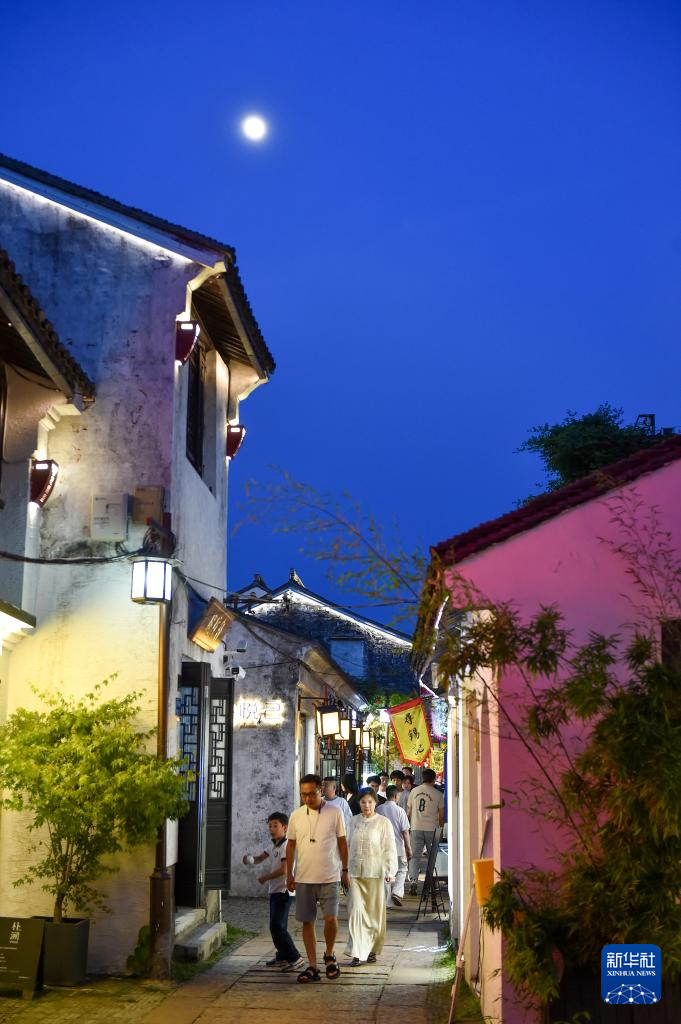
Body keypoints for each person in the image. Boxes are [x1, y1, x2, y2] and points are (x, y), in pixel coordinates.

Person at [286, 774, 349, 983]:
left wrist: (345, 870)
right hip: (304, 876)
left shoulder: (335, 811)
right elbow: (291, 845)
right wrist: (289, 873)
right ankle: (312, 966)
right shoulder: (296, 815)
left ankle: (329, 954)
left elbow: (342, 842)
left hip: (330, 875)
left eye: (312, 793)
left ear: (321, 790)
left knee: (331, 918)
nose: (308, 798)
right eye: (304, 794)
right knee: (307, 921)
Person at [242, 812, 304, 973]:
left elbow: (284, 870)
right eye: (270, 826)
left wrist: (266, 877)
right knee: (276, 926)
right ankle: (282, 956)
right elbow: (260, 858)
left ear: (285, 827)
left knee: (277, 926)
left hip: (284, 890)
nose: (271, 829)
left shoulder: (286, 845)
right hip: (275, 890)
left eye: (275, 825)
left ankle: (295, 957)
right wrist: (250, 859)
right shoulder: (274, 845)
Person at [345, 788, 397, 965]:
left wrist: (390, 871)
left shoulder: (383, 823)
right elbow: (346, 845)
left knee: (374, 914)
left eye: (370, 802)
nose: (366, 805)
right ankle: (356, 951)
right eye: (363, 802)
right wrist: (343, 869)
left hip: (376, 873)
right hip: (355, 873)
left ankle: (373, 949)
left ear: (375, 803)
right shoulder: (353, 821)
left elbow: (389, 848)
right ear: (359, 803)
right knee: (355, 912)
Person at [407, 767, 445, 896]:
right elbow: (441, 816)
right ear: (434, 779)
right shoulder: (438, 794)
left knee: (414, 857)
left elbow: (409, 812)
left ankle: (413, 881)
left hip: (416, 828)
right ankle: (431, 883)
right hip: (432, 829)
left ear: (422, 778)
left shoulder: (414, 791)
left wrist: (407, 828)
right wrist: (441, 829)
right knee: (432, 858)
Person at [377, 785, 412, 907]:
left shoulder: (378, 809)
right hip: (398, 848)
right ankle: (397, 892)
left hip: (383, 848)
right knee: (402, 870)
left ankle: (387, 902)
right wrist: (408, 848)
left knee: (386, 873)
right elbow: (405, 832)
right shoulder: (400, 811)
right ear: (396, 796)